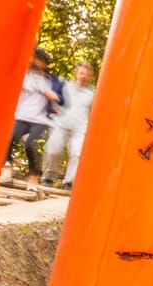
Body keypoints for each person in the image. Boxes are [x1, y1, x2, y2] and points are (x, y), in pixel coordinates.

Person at [1, 48, 61, 195]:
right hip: (22, 115)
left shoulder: (51, 80)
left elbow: (60, 98)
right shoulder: (24, 75)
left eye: (40, 60)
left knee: (30, 145)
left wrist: (53, 98)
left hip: (39, 119)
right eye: (35, 59)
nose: (36, 62)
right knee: (8, 140)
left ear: (45, 63)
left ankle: (34, 177)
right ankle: (7, 170)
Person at [43, 62, 97, 190]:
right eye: (81, 73)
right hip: (60, 124)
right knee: (53, 150)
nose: (83, 76)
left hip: (79, 128)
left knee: (76, 154)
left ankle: (69, 182)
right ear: (76, 73)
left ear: (90, 77)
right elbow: (52, 101)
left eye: (87, 74)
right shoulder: (64, 86)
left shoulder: (92, 94)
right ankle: (49, 177)